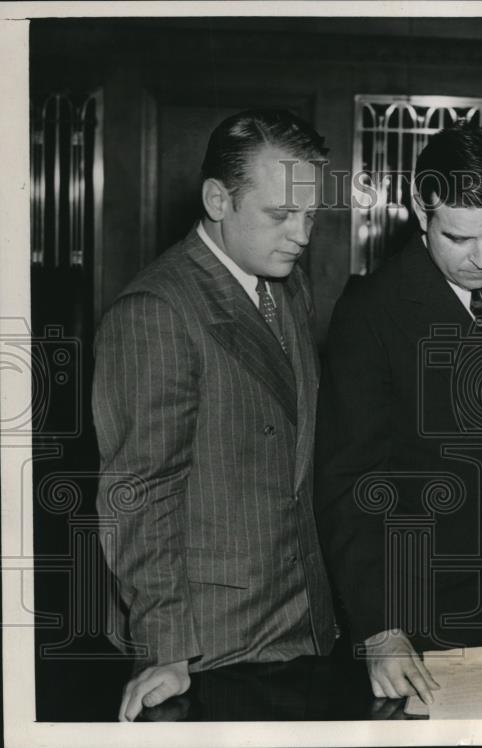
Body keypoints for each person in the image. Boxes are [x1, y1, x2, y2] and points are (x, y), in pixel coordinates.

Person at [314, 122, 482, 704]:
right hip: (428, 616)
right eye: (458, 238)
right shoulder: (371, 311)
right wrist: (380, 628)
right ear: (420, 206)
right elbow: (349, 482)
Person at [93, 109, 338, 721]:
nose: (301, 235)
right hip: (212, 645)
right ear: (216, 200)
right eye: (281, 215)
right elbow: (140, 493)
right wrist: (165, 649)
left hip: (302, 622)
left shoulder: (286, 283)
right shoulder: (157, 310)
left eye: (310, 215)